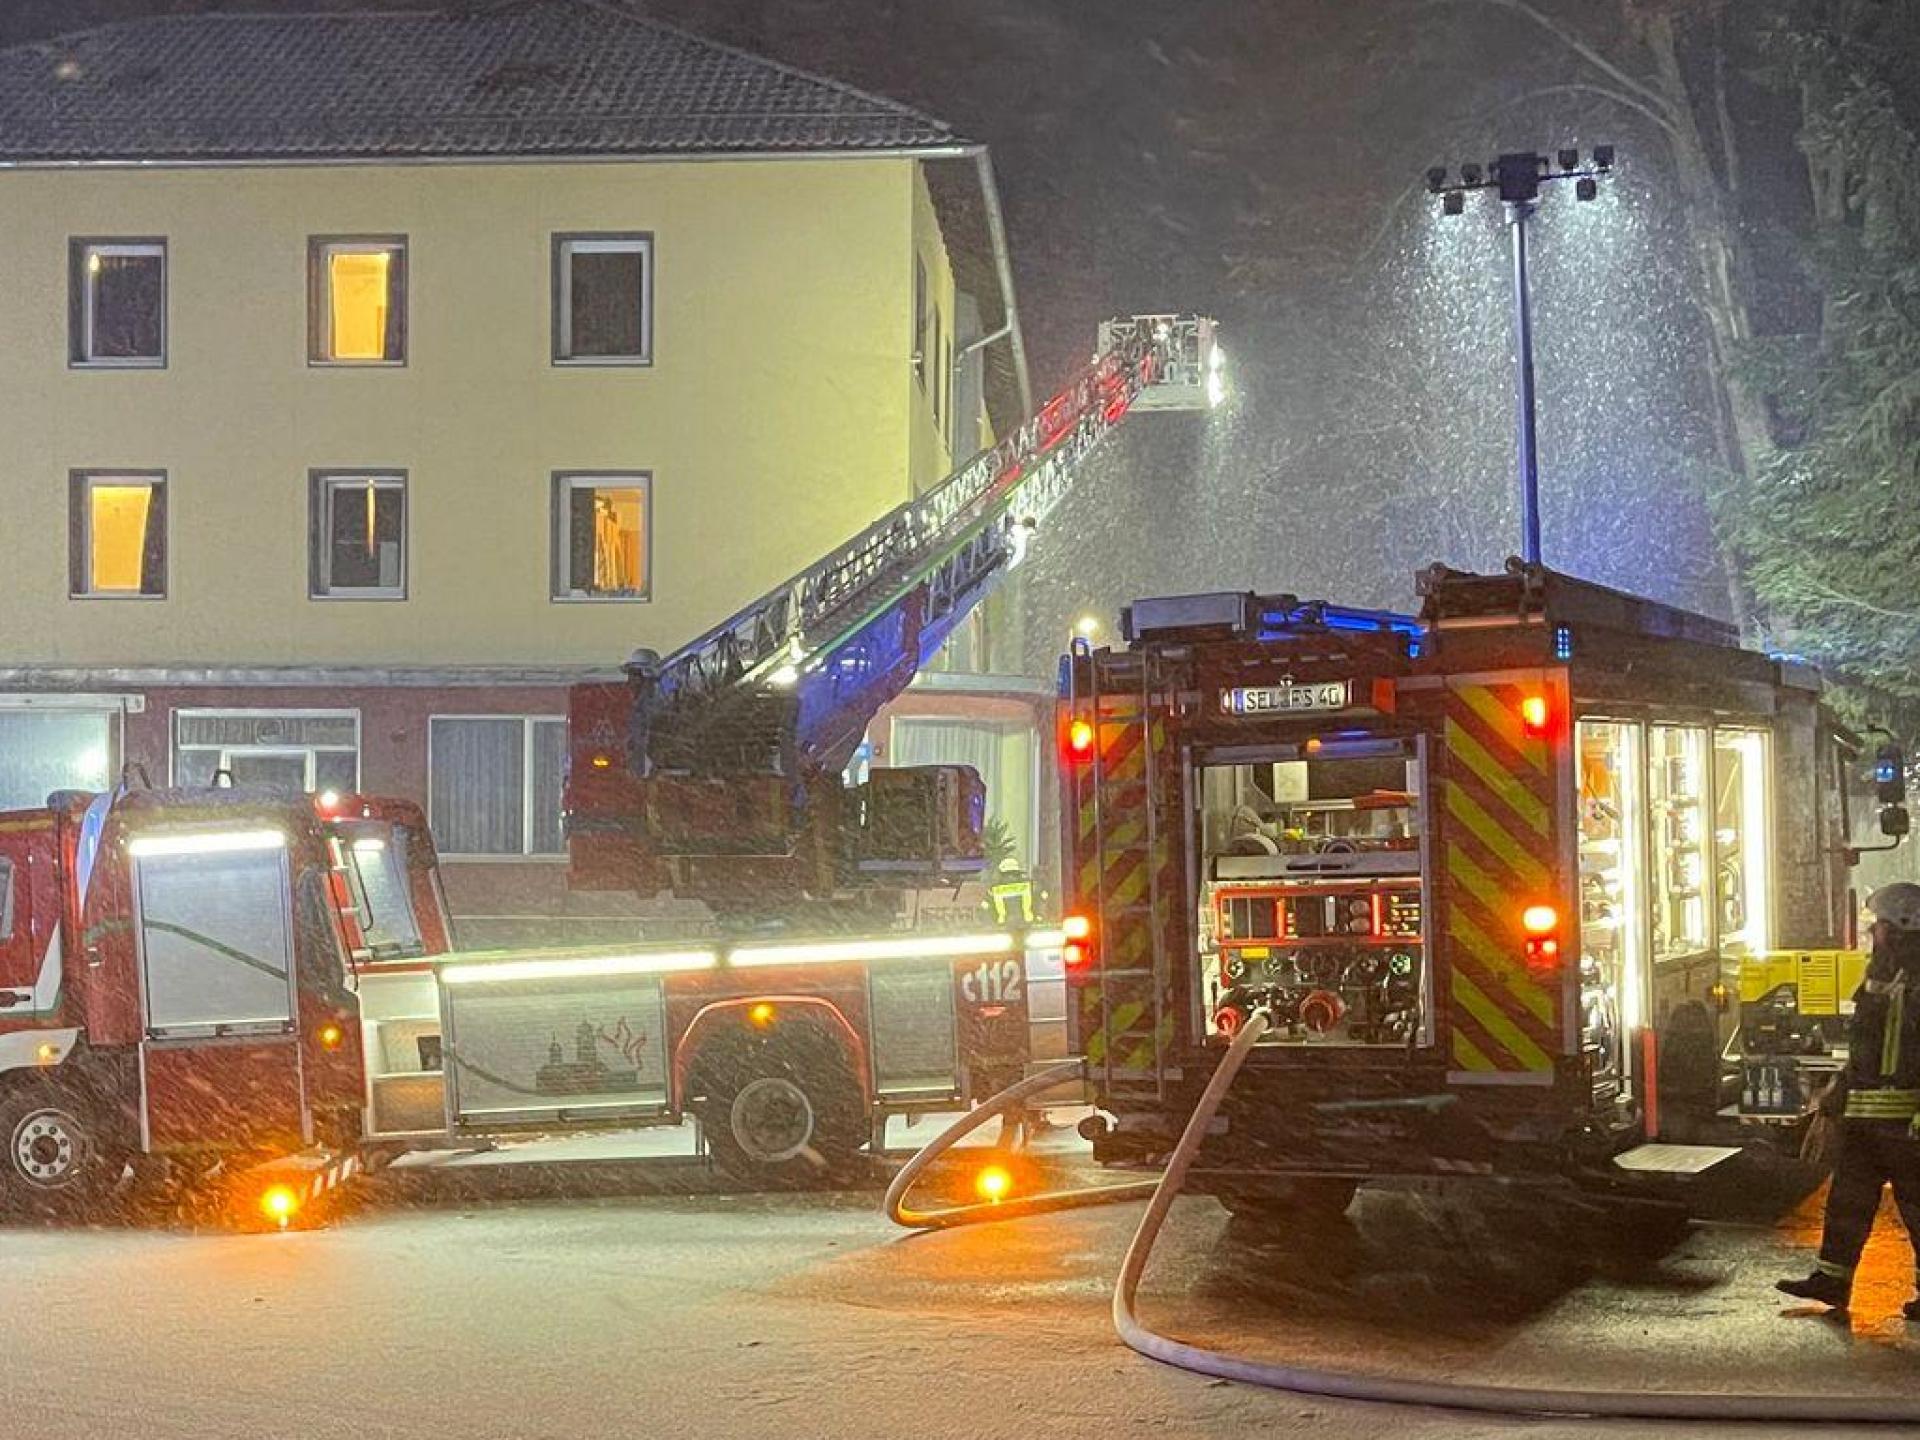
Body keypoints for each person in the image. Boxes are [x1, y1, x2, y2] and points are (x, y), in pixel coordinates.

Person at [1776, 882, 1920, 1318]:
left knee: (1917, 1209)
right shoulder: (1881, 978)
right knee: (1847, 1203)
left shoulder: (1912, 983)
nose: (1873, 932)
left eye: (1879, 925)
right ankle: (1832, 1282)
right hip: (1866, 1121)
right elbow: (1866, 1051)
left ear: (1900, 928)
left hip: (1904, 1125)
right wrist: (1838, 1093)